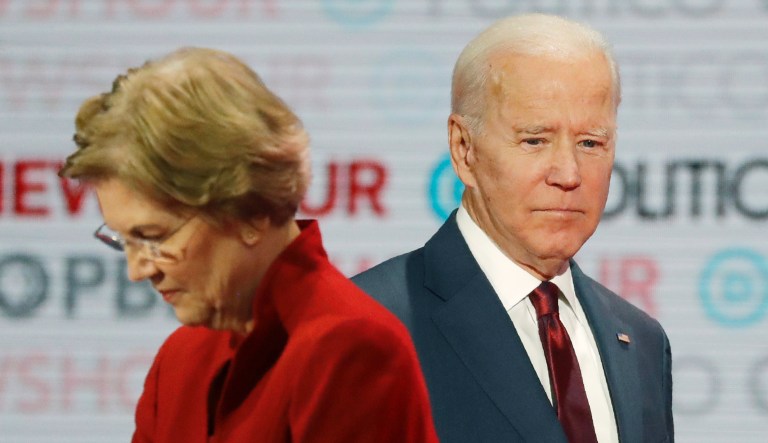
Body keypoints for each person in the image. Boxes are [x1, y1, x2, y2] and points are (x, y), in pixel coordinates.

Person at [59, 47, 438, 443]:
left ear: (250, 212)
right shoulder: (179, 360)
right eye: (124, 241)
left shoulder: (351, 351)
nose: (138, 270)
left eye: (154, 238)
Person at [353, 13, 674, 443]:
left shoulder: (641, 342)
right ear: (464, 150)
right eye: (535, 140)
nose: (568, 173)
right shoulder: (367, 326)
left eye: (590, 143)